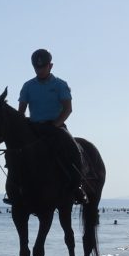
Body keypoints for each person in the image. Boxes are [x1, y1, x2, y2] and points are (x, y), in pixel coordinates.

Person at [17, 48, 86, 204]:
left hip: (56, 126)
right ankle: (16, 189)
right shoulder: (27, 86)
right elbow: (21, 112)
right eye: (36, 67)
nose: (39, 70)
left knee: (72, 149)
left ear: (50, 66)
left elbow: (68, 109)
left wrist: (55, 125)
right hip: (34, 126)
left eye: (43, 67)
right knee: (17, 152)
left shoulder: (60, 85)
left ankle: (77, 187)